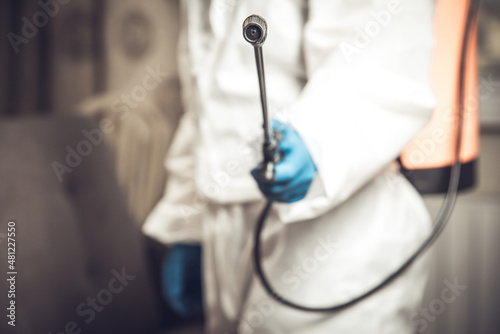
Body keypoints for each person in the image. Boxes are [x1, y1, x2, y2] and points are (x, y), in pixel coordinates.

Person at [143, 1, 436, 333]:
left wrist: (316, 144)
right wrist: (189, 223)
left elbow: (383, 61)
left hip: (340, 233)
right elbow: (203, 104)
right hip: (226, 229)